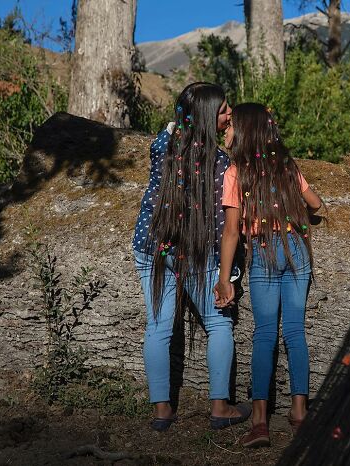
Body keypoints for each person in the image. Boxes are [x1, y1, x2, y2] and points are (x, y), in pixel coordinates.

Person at [132, 82, 249, 432]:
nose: (230, 114)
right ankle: (219, 408)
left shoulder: (162, 145)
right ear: (206, 116)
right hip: (194, 250)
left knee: (157, 326)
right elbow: (224, 224)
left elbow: (169, 132)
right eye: (225, 110)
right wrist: (225, 274)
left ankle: (162, 411)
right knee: (219, 323)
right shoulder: (221, 164)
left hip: (152, 243)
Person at [214, 103, 323, 448]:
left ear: (245, 132)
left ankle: (260, 422)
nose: (227, 130)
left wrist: (223, 277)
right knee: (295, 331)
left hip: (262, 251)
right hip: (296, 249)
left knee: (264, 335)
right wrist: (307, 210)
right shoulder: (287, 166)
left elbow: (231, 232)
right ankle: (300, 414)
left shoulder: (236, 173)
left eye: (232, 125)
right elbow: (317, 204)